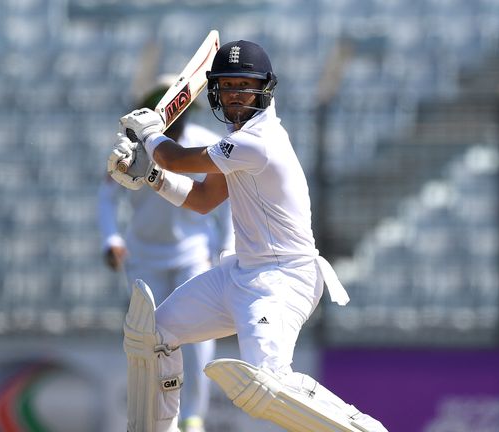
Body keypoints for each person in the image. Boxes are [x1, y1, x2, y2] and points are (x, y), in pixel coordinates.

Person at [107, 40, 388, 432]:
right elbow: (203, 199)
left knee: (268, 386)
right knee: (152, 336)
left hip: (283, 279)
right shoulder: (238, 145)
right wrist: (152, 177)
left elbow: (174, 157)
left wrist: (152, 135)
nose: (236, 95)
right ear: (216, 91)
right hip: (240, 272)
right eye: (227, 86)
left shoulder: (257, 141)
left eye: (245, 85)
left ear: (265, 89)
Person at [98, 76, 233, 432]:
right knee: (151, 338)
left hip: (192, 254)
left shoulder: (206, 145)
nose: (180, 118)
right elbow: (106, 196)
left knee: (199, 335)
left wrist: (227, 247)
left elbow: (227, 204)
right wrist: (111, 239)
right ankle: (160, 420)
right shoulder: (130, 148)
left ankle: (193, 418)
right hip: (144, 257)